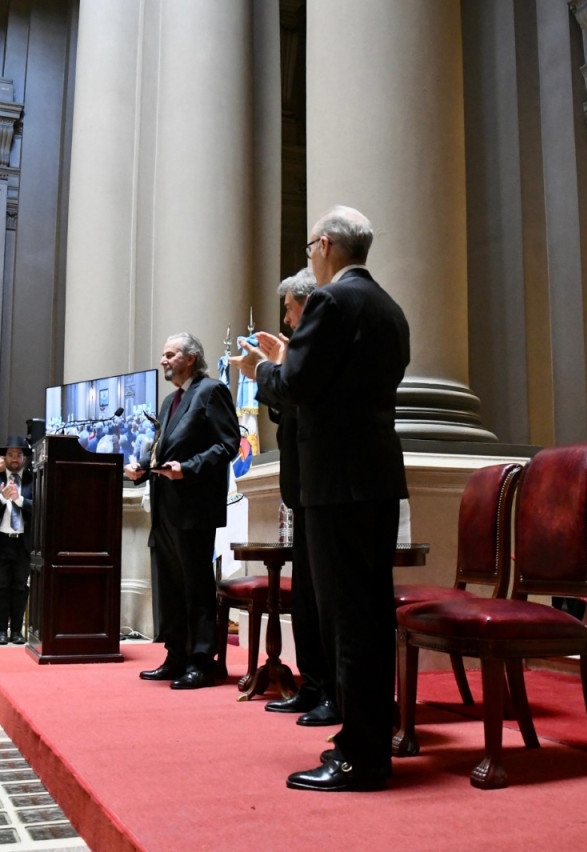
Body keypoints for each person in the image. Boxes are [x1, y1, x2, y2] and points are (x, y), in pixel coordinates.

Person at [234, 206, 410, 792]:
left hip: (336, 484)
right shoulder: (390, 307)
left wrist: (263, 369)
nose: (309, 255)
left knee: (349, 620)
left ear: (328, 245)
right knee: (370, 614)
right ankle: (370, 738)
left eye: (311, 246)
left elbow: (299, 386)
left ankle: (359, 755)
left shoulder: (332, 302)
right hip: (377, 478)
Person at [125, 333, 238, 689]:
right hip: (164, 508)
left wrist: (189, 467)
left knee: (195, 587)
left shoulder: (211, 390)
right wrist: (142, 468)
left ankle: (202, 662)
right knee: (170, 588)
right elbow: (164, 451)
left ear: (190, 358)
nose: (163, 360)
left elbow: (228, 445)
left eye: (170, 354)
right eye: (163, 355)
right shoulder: (169, 402)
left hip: (193, 509)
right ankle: (176, 656)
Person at [255, 267, 340, 727]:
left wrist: (271, 370)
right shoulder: (301, 346)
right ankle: (312, 685)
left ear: (306, 303)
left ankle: (330, 689)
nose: (286, 320)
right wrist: (277, 372)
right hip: (303, 485)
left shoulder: (324, 341)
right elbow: (285, 408)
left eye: (289, 308)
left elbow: (308, 401)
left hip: (326, 482)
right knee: (306, 597)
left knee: (323, 598)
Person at [0, 437, 33, 645]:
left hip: (23, 542)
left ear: (24, 458)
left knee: (20, 587)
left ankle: (17, 631)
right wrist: (2, 499)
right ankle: (1, 630)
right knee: (1, 586)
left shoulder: (32, 479)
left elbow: (41, 505)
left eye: (18, 455)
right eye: (10, 454)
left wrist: (19, 500)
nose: (14, 459)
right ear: (5, 457)